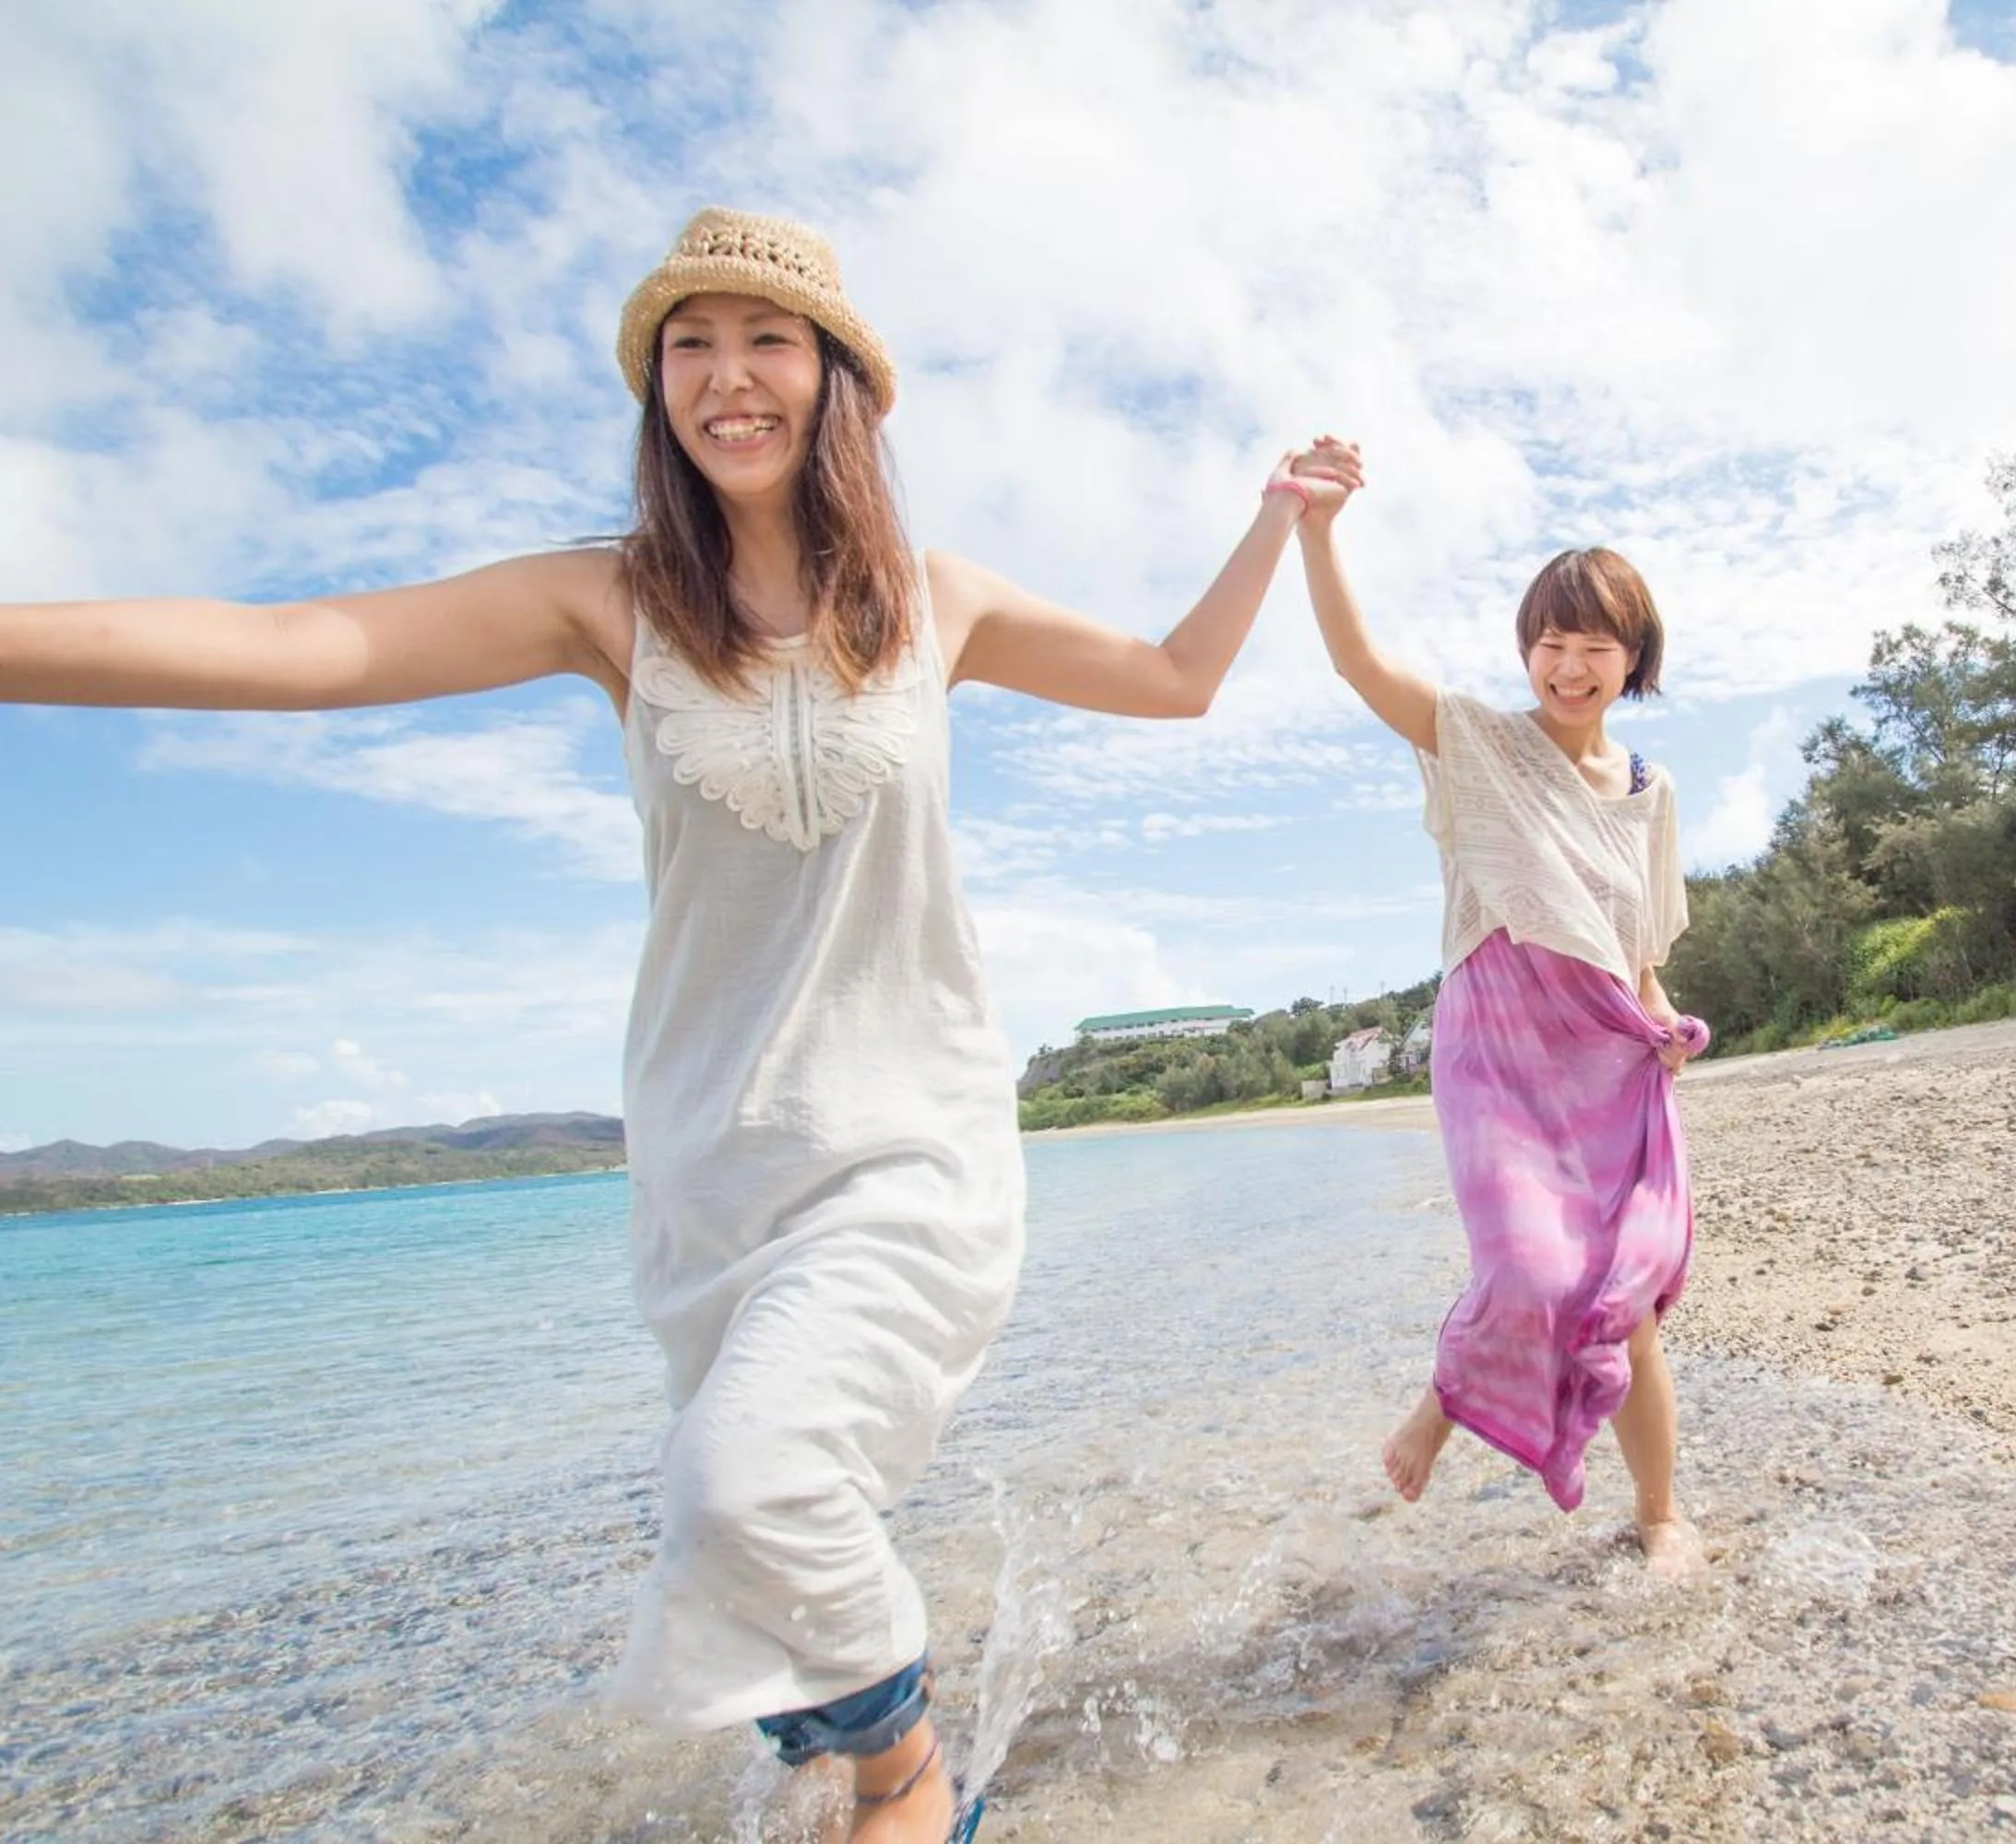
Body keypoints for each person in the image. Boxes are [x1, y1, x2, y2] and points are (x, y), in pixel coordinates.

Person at [0, 206, 1360, 1842]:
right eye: (689, 349)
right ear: (659, 391)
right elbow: (300, 645)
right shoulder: (612, 603)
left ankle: (916, 1779)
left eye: (765, 340)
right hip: (713, 1173)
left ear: (837, 377)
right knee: (758, 1537)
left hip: (910, 1150)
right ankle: (856, 1749)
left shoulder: (940, 601)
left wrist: (1279, 521)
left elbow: (1173, 675)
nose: (727, 378)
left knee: (744, 1484)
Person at [1293, 449, 1709, 1579]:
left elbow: (1642, 949)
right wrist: (1317, 531)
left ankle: (1663, 1514)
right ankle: (1450, 1395)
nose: (1569, 666)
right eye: (1550, 642)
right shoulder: (1477, 742)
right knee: (1530, 1267)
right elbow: (1354, 659)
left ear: (1635, 658)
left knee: (1622, 1300)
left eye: (1595, 646)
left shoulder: (1649, 791)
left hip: (1607, 1055)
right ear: (1528, 647)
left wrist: (1666, 1026)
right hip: (1496, 1043)